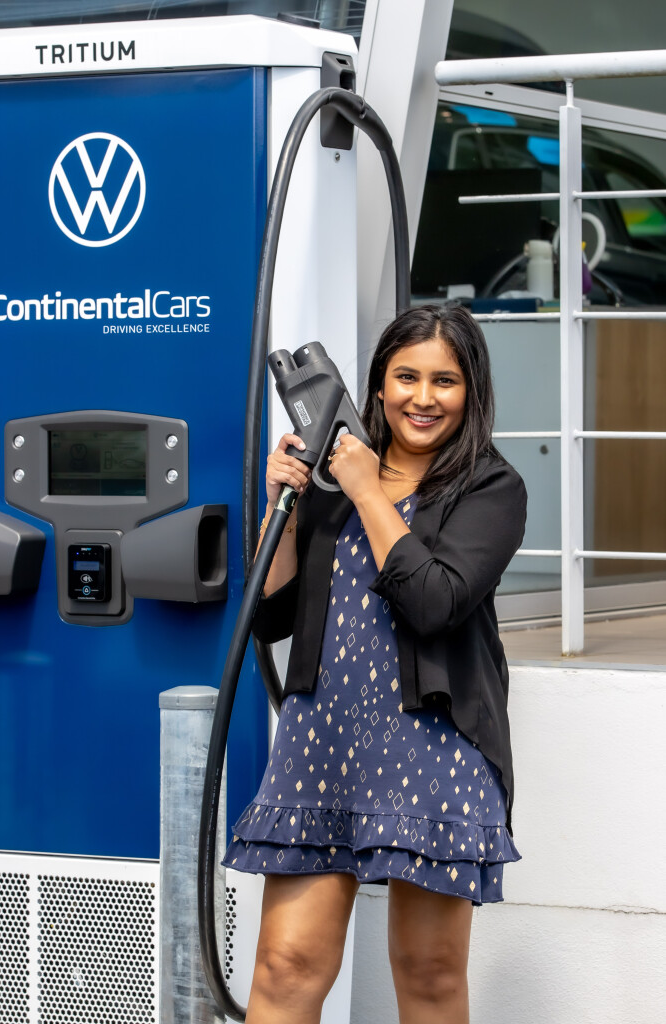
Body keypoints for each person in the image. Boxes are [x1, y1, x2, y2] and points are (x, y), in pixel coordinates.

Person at [223, 303, 527, 1024]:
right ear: (379, 384)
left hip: (433, 744)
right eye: (406, 377)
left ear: (471, 390)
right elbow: (270, 619)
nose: (422, 398)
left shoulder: (489, 487)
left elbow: (432, 602)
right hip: (323, 738)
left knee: (427, 974)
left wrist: (365, 488)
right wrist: (285, 507)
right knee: (285, 964)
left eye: (444, 380)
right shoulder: (333, 474)